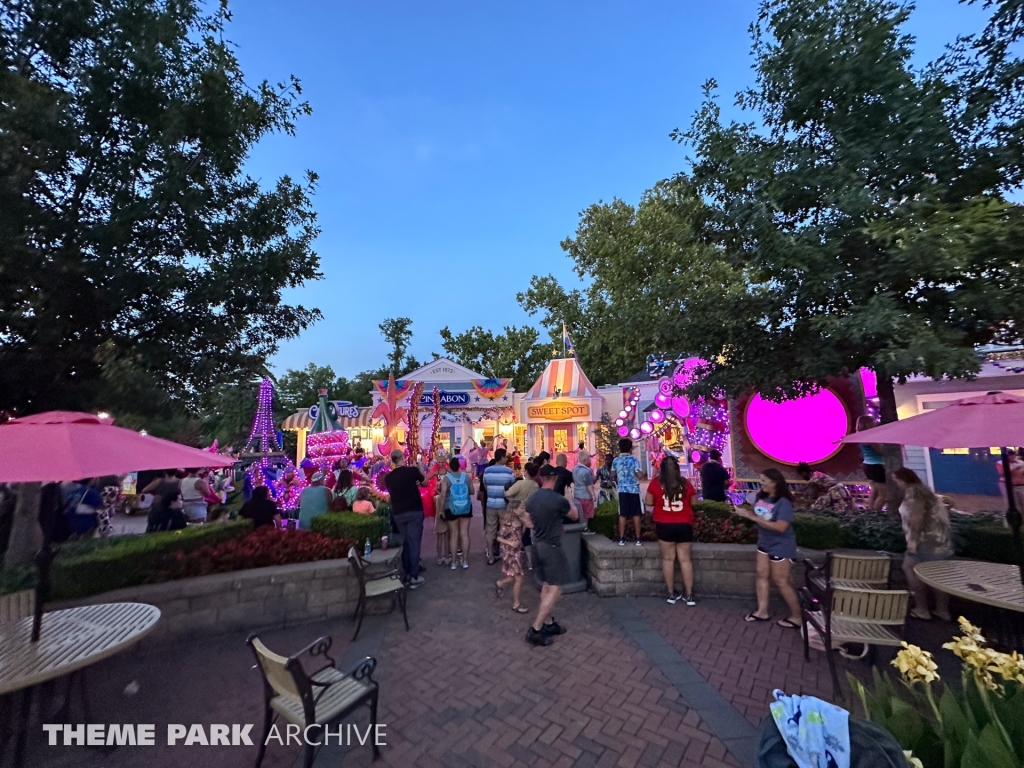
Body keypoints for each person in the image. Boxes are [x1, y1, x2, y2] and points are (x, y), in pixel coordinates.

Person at [733, 468, 801, 629]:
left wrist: (752, 517)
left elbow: (780, 527)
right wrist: (745, 513)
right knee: (761, 574)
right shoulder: (760, 496)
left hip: (781, 545)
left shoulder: (783, 502)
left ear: (775, 482)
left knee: (781, 581)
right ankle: (762, 611)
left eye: (764, 481)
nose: (760, 483)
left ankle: (797, 616)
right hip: (764, 542)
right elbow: (759, 515)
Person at [524, 465, 578, 646]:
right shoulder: (558, 499)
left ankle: (547, 623)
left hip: (537, 545)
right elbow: (575, 515)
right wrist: (569, 499)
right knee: (555, 588)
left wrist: (536, 526)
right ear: (554, 478)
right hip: (551, 547)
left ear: (541, 477)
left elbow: (525, 517)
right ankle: (536, 628)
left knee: (547, 584)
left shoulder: (533, 499)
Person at [894, 468, 952, 621]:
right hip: (939, 540)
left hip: (925, 541)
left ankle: (922, 608)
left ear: (904, 480)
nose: (897, 484)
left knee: (909, 568)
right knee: (937, 575)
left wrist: (913, 540)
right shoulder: (924, 490)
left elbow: (916, 516)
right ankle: (942, 610)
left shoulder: (913, 492)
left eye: (897, 480)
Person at [645, 456, 697, 605]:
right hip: (684, 523)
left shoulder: (656, 484)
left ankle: (670, 594)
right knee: (685, 560)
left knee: (668, 559)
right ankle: (690, 595)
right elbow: (694, 502)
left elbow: (648, 502)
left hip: (664, 523)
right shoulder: (685, 483)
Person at [385, 449, 439, 587]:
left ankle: (407, 571)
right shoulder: (412, 471)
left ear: (393, 460)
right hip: (414, 510)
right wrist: (421, 469)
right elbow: (425, 483)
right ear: (402, 458)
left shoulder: (388, 477)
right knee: (414, 542)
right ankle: (413, 575)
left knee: (405, 543)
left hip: (398, 512)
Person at [496, 463, 537, 612]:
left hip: (517, 552)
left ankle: (500, 583)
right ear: (514, 509)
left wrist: (526, 518)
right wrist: (510, 543)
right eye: (520, 508)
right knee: (519, 578)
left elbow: (530, 526)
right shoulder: (508, 523)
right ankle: (516, 604)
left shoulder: (520, 520)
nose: (523, 509)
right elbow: (499, 537)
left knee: (514, 577)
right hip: (510, 553)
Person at [482, 448, 516, 566]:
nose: (507, 459)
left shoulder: (487, 471)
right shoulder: (509, 472)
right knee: (504, 530)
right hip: (504, 504)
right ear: (501, 458)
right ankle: (505, 555)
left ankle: (490, 556)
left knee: (490, 530)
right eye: (505, 457)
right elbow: (512, 487)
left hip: (491, 503)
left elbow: (485, 486)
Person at [440, 456, 474, 569]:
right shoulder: (466, 476)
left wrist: (441, 510)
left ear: (449, 466)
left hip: (451, 508)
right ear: (459, 466)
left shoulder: (446, 478)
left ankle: (454, 562)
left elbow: (443, 495)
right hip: (466, 507)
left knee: (453, 535)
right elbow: (472, 491)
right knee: (464, 533)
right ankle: (465, 561)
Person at [612, 438, 644, 546]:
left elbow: (612, 474)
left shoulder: (616, 460)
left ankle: (621, 538)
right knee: (636, 514)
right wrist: (641, 474)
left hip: (622, 490)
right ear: (630, 449)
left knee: (623, 514)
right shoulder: (634, 460)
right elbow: (639, 476)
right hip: (634, 490)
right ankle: (638, 538)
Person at [855, 416, 886, 510]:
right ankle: (876, 514)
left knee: (875, 491)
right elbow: (879, 452)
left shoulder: (860, 435)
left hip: (867, 465)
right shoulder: (870, 437)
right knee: (884, 495)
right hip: (877, 466)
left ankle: (871, 512)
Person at [572, 450, 596, 532]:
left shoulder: (574, 469)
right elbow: (588, 485)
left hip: (577, 494)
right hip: (586, 496)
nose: (590, 461)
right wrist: (593, 495)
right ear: (585, 460)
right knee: (586, 514)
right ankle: (585, 529)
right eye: (589, 459)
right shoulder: (586, 471)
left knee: (580, 513)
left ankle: (580, 529)